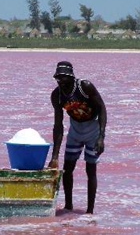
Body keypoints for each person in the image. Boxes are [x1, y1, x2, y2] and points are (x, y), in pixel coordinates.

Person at [48, 61, 107, 214]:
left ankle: (90, 211)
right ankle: (68, 207)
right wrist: (55, 156)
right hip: (75, 129)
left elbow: (101, 108)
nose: (61, 82)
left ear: (71, 77)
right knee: (67, 169)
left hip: (93, 128)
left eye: (64, 79)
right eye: (58, 79)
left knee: (90, 169)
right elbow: (58, 126)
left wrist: (101, 137)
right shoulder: (57, 95)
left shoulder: (84, 86)